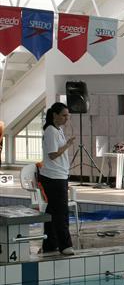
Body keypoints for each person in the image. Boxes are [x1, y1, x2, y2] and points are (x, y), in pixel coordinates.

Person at [40, 102, 75, 256]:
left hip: (58, 175)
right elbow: (53, 154)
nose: (66, 118)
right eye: (64, 115)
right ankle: (65, 245)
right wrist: (67, 145)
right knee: (61, 212)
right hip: (53, 177)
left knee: (53, 211)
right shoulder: (51, 131)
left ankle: (50, 243)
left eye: (68, 115)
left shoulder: (57, 129)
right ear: (55, 115)